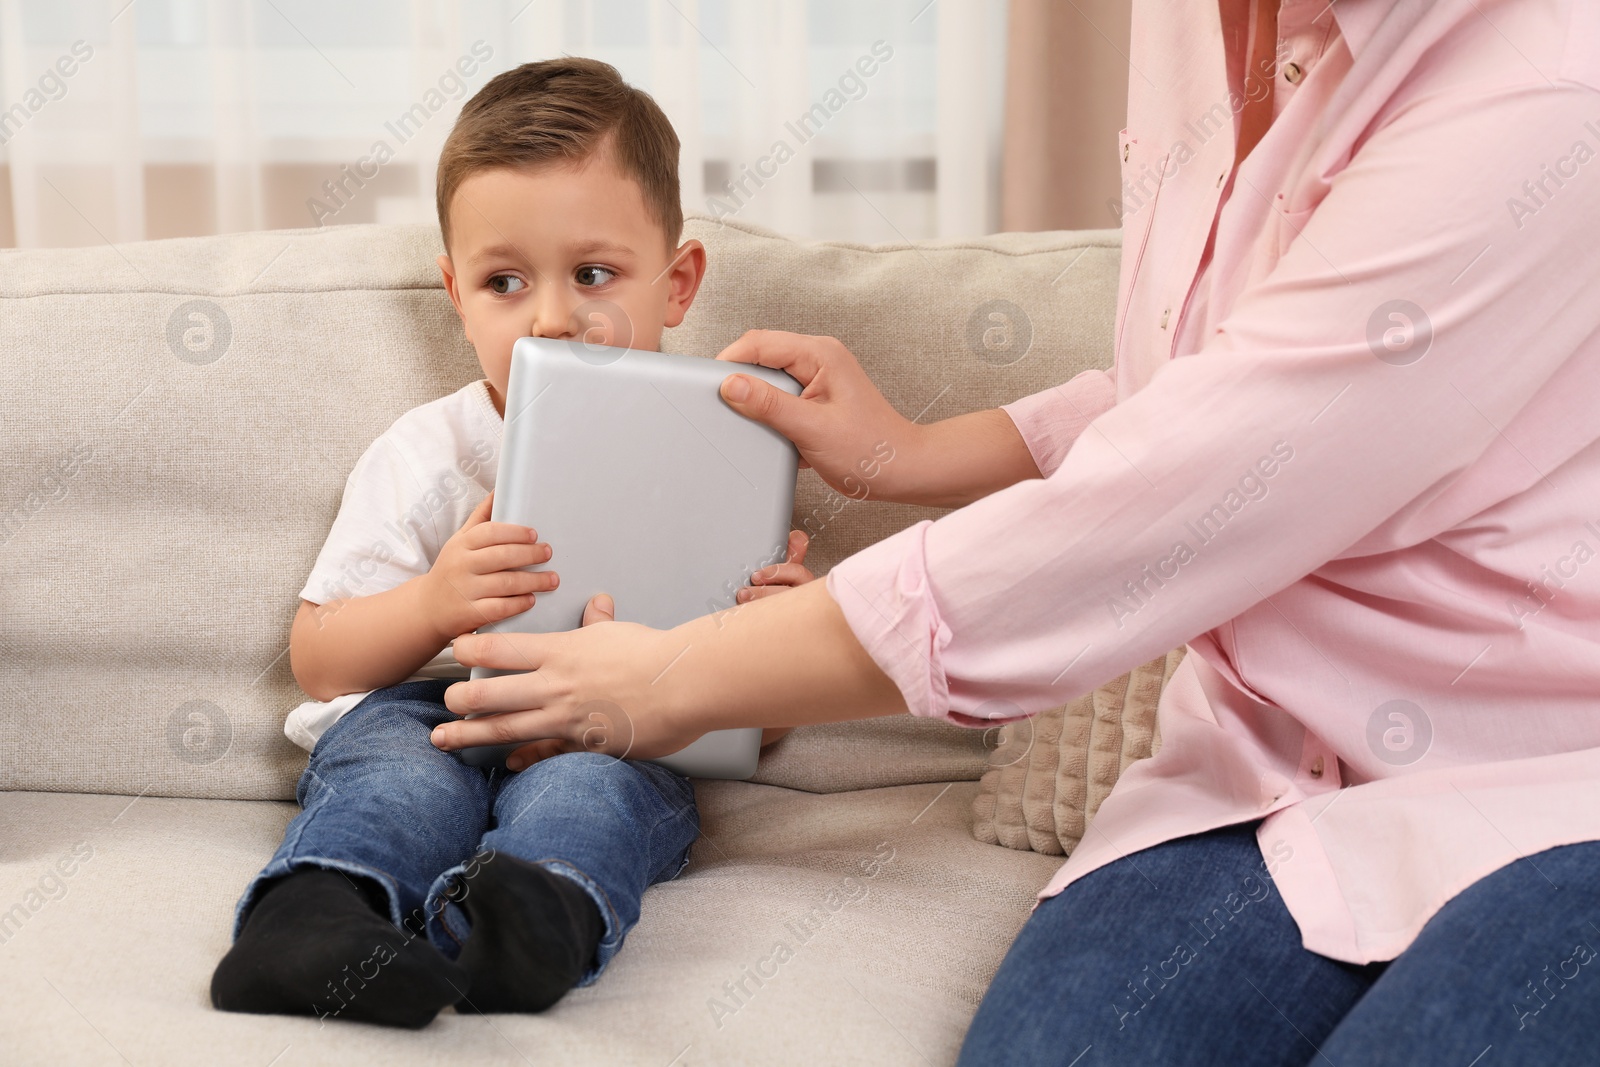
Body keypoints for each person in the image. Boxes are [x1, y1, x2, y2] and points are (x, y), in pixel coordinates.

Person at [428, 1, 1600, 1063]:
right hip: (1255, 771)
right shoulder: (1193, 26)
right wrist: (912, 456)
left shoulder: (1548, 89)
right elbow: (1222, 381)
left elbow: (1196, 494)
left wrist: (674, 678)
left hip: (1551, 791)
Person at [210, 57, 811, 1029]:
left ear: (678, 281)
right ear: (456, 293)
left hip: (611, 724)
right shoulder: (429, 449)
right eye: (504, 281)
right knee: (400, 773)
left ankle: (525, 926)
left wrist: (771, 648)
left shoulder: (722, 447)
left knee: (599, 788)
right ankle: (312, 918)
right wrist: (432, 604)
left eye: (594, 272)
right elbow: (319, 657)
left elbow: (750, 728)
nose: (551, 315)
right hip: (432, 707)